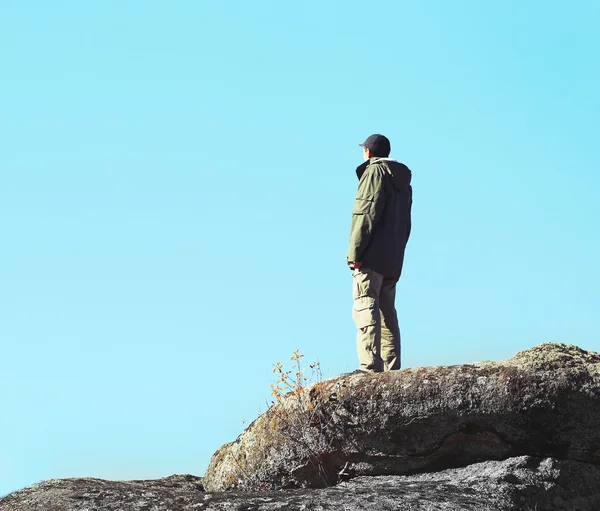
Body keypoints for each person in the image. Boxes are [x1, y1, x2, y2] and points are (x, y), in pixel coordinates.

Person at [347, 134, 413, 372]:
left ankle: (370, 366)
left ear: (368, 153)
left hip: (371, 257)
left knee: (366, 306)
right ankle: (392, 368)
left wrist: (355, 252)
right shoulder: (403, 181)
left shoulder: (374, 173)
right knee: (388, 314)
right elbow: (406, 224)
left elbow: (365, 213)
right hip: (392, 259)